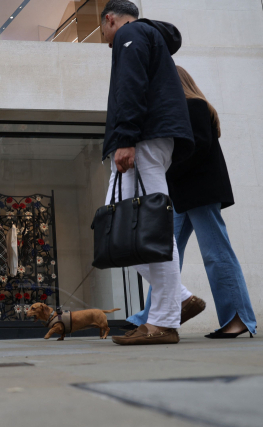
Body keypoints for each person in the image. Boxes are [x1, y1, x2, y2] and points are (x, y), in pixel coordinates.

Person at [126, 66, 257, 339]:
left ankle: (238, 318)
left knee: (216, 252)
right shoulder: (182, 109)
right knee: (164, 253)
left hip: (200, 191)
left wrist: (162, 169)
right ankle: (152, 316)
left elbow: (196, 149)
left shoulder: (194, 106)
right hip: (182, 194)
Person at [97, 0, 195, 345]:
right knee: (122, 230)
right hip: (148, 138)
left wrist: (125, 138)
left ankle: (164, 321)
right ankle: (178, 298)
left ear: (110, 19)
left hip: (143, 140)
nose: (105, 40)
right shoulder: (148, 36)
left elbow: (130, 86)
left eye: (103, 32)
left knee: (150, 227)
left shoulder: (132, 33)